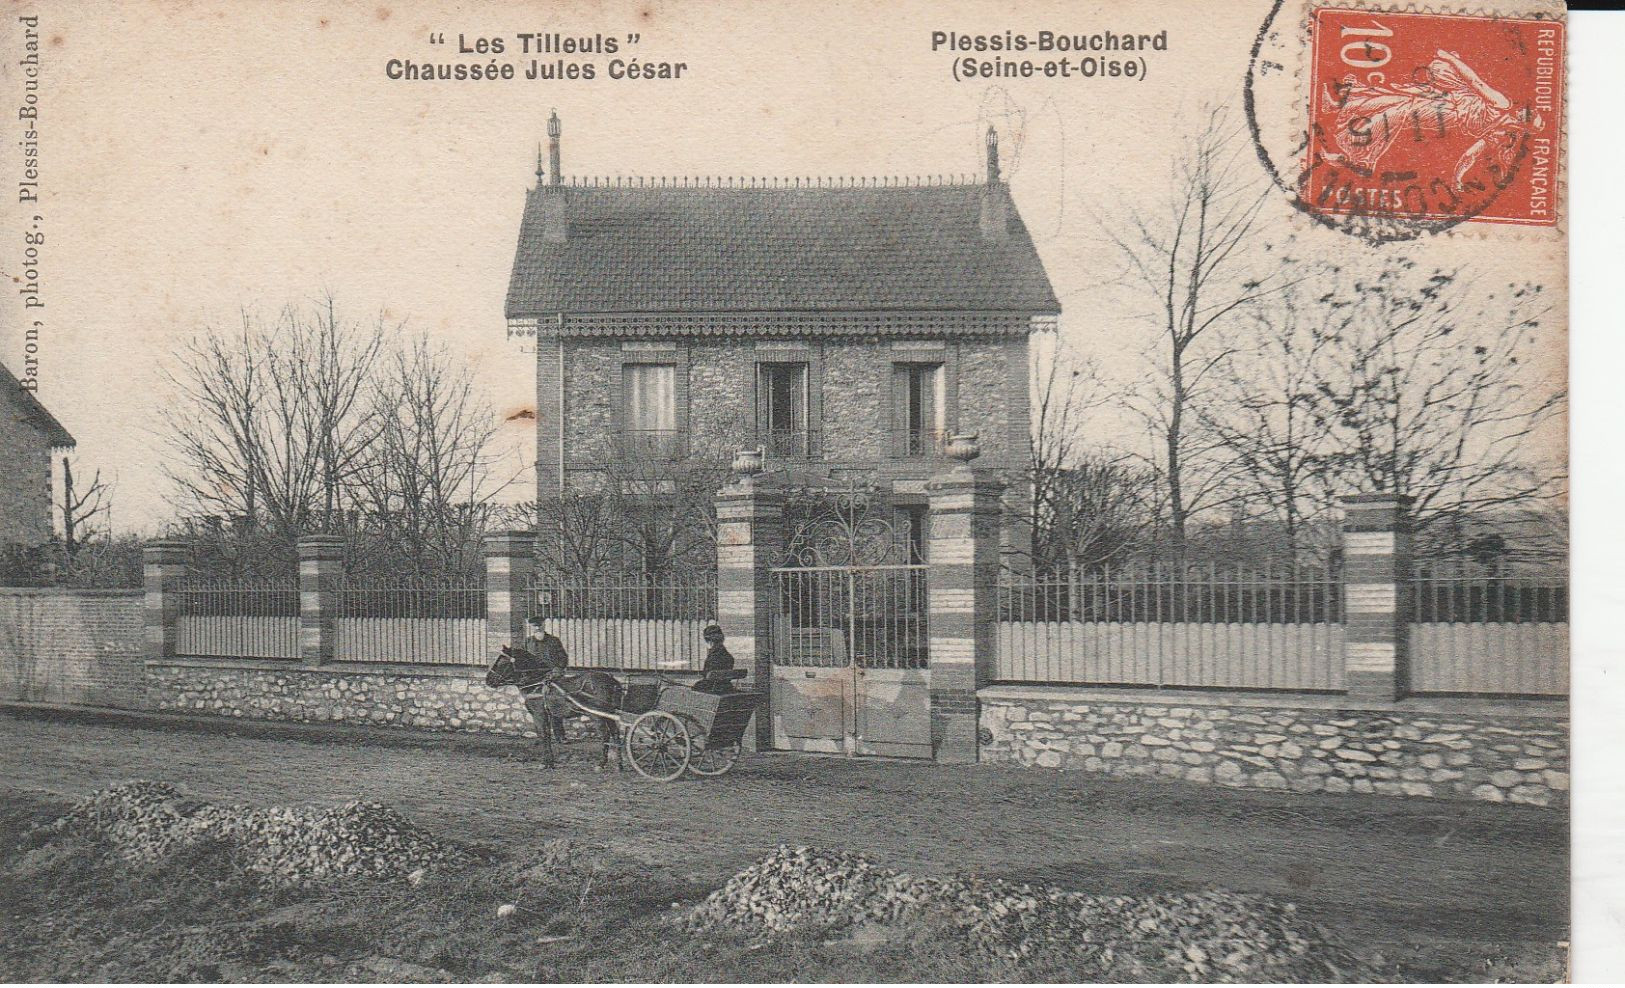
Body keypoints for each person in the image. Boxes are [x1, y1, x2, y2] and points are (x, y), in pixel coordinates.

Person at [692, 624, 737, 695]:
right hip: (726, 687)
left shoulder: (713, 657)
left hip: (712, 689)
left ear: (709, 641)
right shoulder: (728, 656)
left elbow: (707, 676)